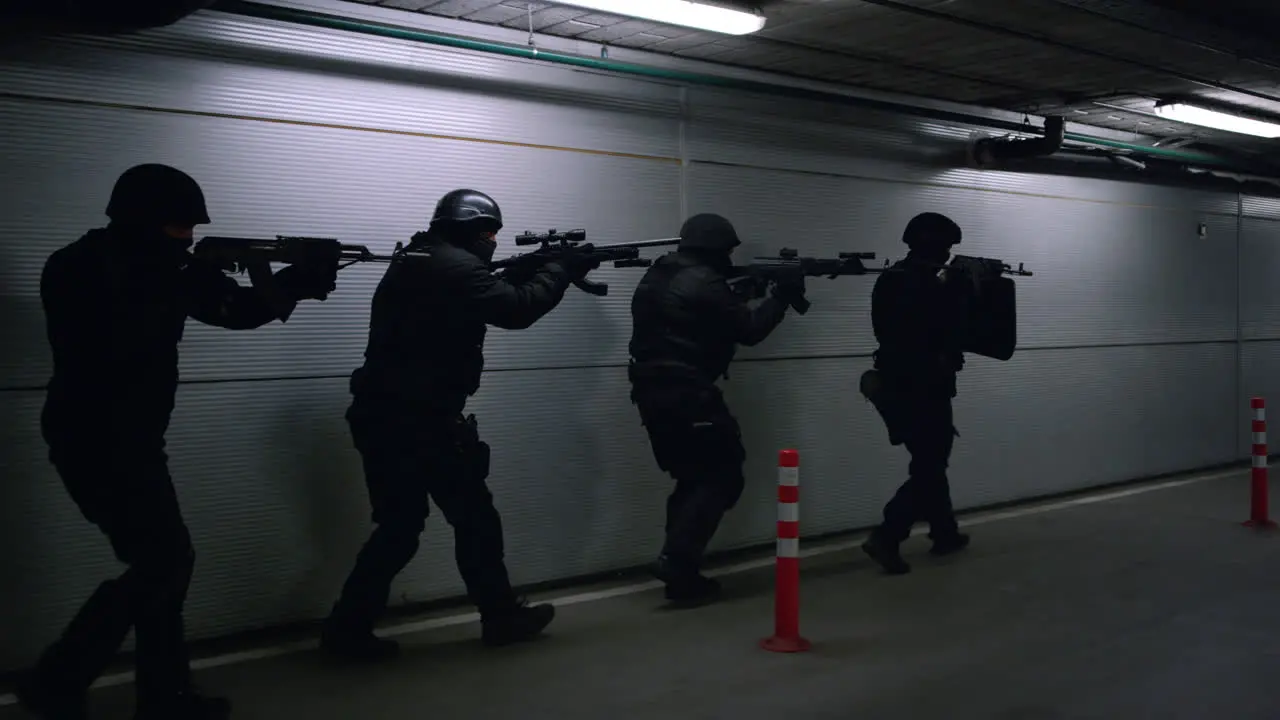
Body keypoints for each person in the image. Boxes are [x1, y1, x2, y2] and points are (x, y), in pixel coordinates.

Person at [18, 163, 338, 720]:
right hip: (95, 436)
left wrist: (294, 283)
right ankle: (60, 677)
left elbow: (237, 311)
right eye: (177, 227)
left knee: (164, 562)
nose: (188, 237)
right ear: (142, 221)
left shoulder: (159, 266)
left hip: (128, 437)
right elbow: (120, 332)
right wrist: (197, 275)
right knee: (164, 562)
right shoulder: (85, 267)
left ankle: (161, 696)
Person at [321, 189, 600, 661]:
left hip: (385, 414)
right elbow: (516, 309)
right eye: (489, 233)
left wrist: (529, 268)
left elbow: (472, 293)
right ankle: (500, 617)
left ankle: (347, 629)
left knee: (400, 527)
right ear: (470, 230)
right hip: (419, 421)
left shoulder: (416, 255)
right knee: (473, 519)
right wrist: (559, 269)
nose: (493, 242)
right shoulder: (455, 266)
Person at [627, 213, 804, 606]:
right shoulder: (704, 281)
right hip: (686, 393)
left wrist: (746, 289)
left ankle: (681, 574)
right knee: (720, 476)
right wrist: (781, 296)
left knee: (692, 477)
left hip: (654, 393)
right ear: (715, 250)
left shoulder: (660, 275)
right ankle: (677, 561)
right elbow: (750, 331)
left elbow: (694, 317)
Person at [860, 212, 972, 576]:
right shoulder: (927, 286)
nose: (947, 254)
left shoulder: (892, 278)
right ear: (933, 245)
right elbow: (949, 326)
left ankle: (945, 532)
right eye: (945, 247)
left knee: (929, 457)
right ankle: (888, 535)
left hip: (895, 384)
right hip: (923, 387)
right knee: (929, 464)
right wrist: (965, 286)